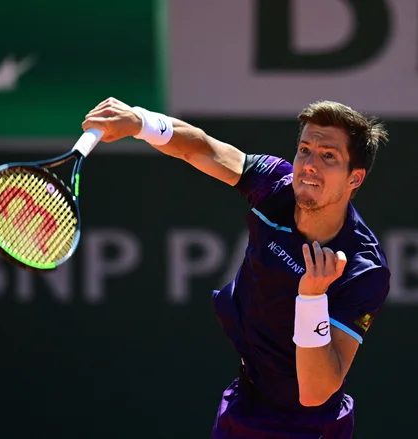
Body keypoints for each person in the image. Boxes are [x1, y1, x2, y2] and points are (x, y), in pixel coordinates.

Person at [82, 98, 391, 439]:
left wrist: (312, 299)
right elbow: (202, 148)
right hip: (244, 403)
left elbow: (316, 392)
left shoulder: (364, 269)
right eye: (304, 149)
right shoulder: (276, 184)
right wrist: (140, 121)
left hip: (309, 427)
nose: (309, 165)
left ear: (355, 178)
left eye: (328, 156)